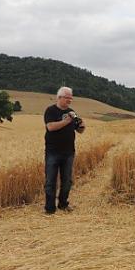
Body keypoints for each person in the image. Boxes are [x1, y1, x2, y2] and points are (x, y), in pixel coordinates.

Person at [43, 86, 85, 214]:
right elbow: (50, 127)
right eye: (67, 98)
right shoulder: (51, 111)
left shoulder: (72, 112)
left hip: (68, 153)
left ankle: (63, 204)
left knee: (67, 181)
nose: (70, 100)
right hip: (53, 152)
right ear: (59, 97)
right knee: (50, 181)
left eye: (71, 98)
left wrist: (82, 126)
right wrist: (67, 121)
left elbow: (80, 130)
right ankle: (50, 209)